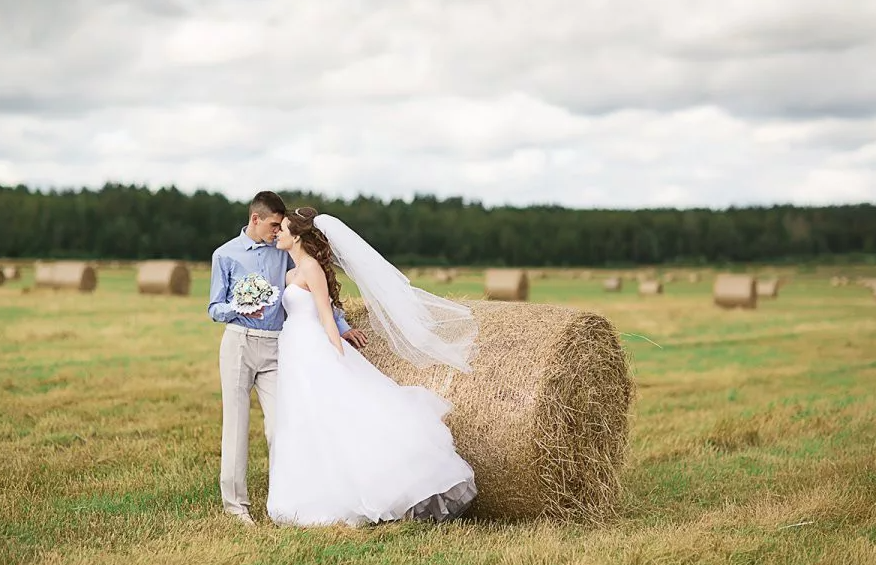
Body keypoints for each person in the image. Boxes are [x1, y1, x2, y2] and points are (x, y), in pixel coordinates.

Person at [266, 207, 478, 526]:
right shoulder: (289, 274)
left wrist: (337, 355)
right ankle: (306, 492)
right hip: (294, 348)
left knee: (339, 413)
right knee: (303, 418)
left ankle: (374, 485)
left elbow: (325, 313)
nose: (277, 233)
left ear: (296, 235)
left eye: (282, 229)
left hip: (314, 347)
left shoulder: (311, 268)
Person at [208, 192, 367, 526]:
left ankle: (284, 498)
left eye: (281, 226)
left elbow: (312, 290)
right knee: (236, 428)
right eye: (273, 225)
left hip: (276, 347)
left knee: (280, 427)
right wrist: (240, 307)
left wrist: (341, 326)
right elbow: (213, 308)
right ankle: (236, 507)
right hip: (239, 344)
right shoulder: (225, 255)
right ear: (255, 219)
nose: (277, 231)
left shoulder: (283, 253)